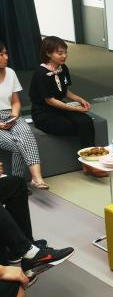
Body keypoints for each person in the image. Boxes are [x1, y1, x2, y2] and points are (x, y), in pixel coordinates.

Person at [29, 37, 95, 149]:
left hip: (60, 108)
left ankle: (90, 156)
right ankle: (86, 155)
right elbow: (50, 100)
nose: (64, 56)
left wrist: (80, 100)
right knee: (73, 126)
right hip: (43, 113)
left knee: (86, 121)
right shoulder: (41, 73)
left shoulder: (63, 68)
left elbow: (64, 91)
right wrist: (75, 109)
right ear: (48, 53)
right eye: (60, 53)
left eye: (65, 52)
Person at [0, 41, 48, 189]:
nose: (6, 57)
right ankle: (19, 185)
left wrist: (13, 116)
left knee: (26, 134)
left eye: (6, 53)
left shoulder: (10, 72)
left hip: (11, 115)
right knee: (17, 145)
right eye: (1, 54)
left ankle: (36, 178)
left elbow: (15, 101)